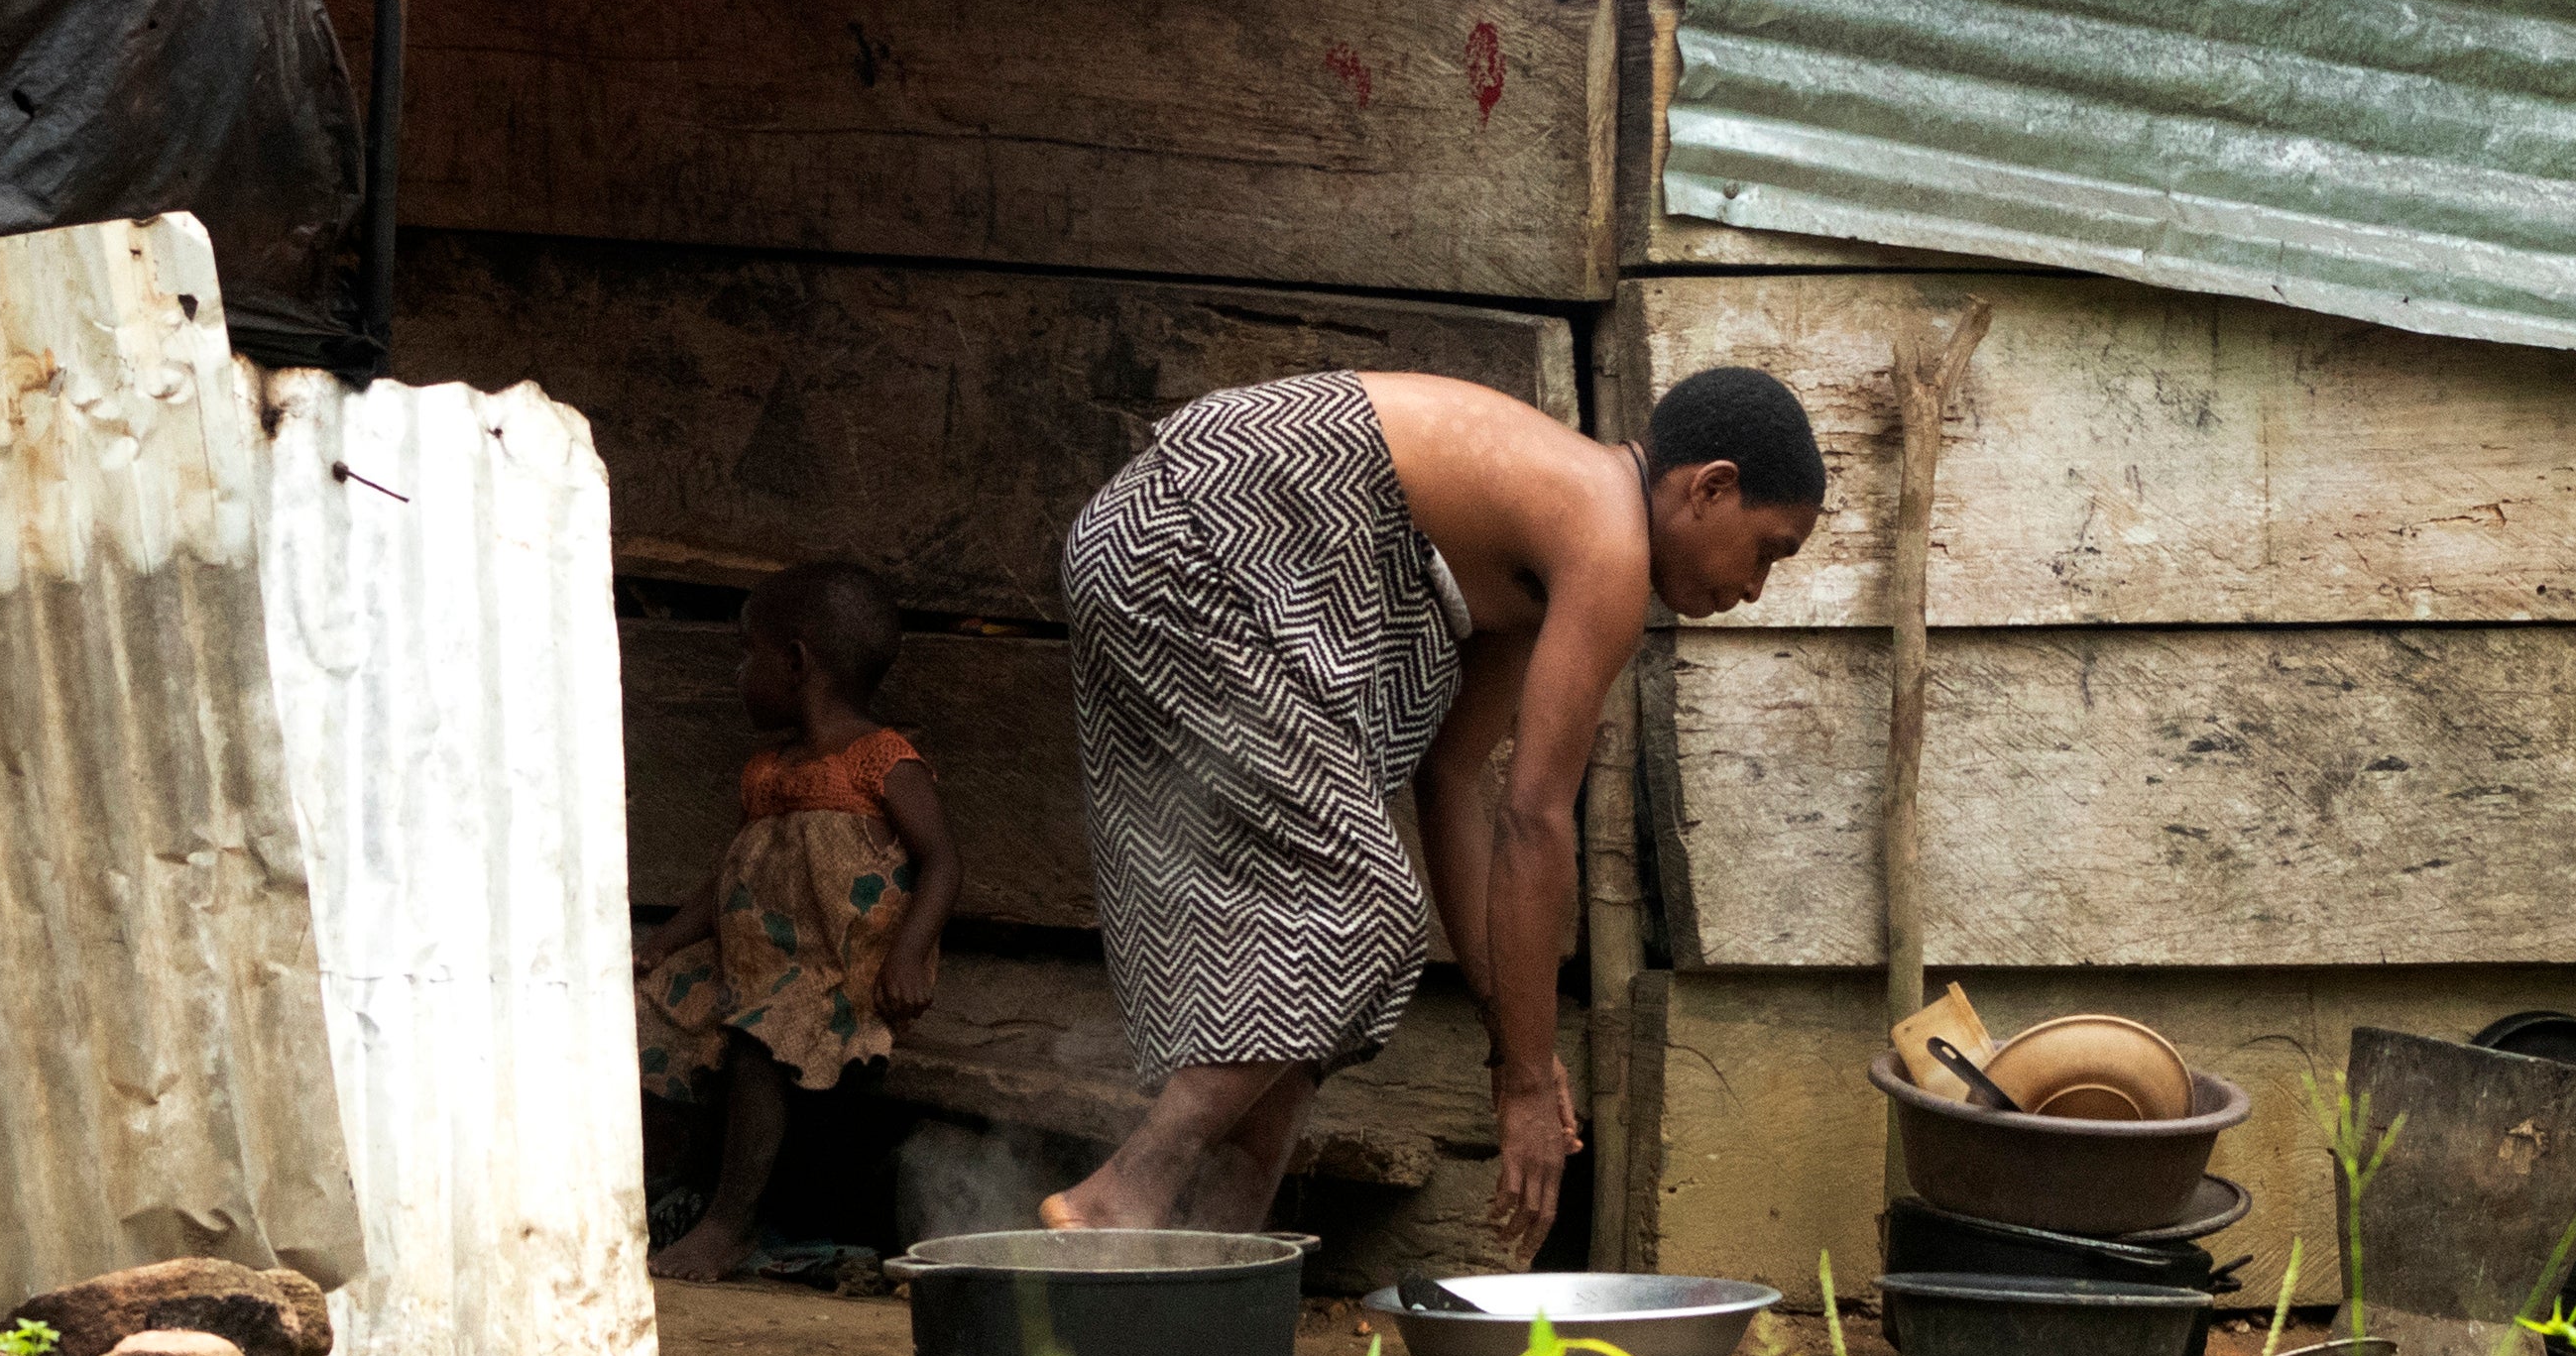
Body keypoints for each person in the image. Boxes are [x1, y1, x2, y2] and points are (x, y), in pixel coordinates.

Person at [1043, 366, 1822, 1256]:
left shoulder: (1557, 547)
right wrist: (1531, 1080)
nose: (1759, 585)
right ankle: (1123, 1193)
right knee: (1363, 915)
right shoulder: (1608, 539)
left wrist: (1505, 1035)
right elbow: (1536, 820)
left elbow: (1455, 782)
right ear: (1709, 488)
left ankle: (1213, 1274)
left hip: (1157, 544)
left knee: (1328, 984)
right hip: (1189, 542)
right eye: (1769, 548)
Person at [637, 561, 963, 1284]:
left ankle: (730, 1224)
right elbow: (727, 874)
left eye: (745, 652)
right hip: (751, 962)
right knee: (652, 1010)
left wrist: (910, 955)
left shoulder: (882, 762)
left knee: (763, 1034)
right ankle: (656, 1199)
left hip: (845, 974)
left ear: (793, 662)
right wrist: (663, 943)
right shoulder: (768, 770)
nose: (737, 671)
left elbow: (942, 864)